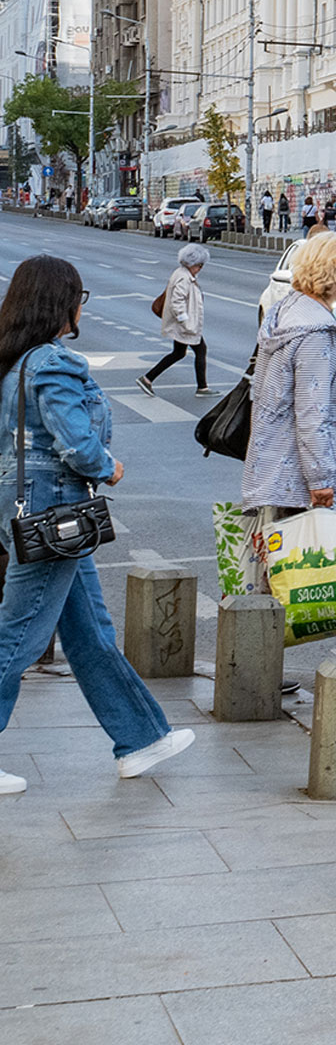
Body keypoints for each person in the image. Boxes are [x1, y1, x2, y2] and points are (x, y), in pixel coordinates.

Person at [0, 255, 195, 792]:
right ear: (60, 302)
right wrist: (107, 467)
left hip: (27, 504)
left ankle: (141, 738)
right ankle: (140, 736)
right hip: (56, 509)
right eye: (79, 297)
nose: (80, 307)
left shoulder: (13, 361)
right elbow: (76, 441)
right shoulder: (52, 363)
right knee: (17, 636)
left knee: (89, 633)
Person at [241, 232, 336, 592]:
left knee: (286, 572)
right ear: (335, 273)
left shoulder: (289, 311)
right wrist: (321, 479)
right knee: (304, 575)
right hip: (299, 476)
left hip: (279, 466)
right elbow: (313, 412)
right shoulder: (316, 332)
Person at [139, 244, 211, 397]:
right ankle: (202, 388)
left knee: (179, 353)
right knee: (200, 349)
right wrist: (185, 322)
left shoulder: (182, 274)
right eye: (199, 265)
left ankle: (148, 378)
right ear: (191, 264)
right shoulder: (184, 278)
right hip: (184, 325)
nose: (200, 269)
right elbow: (177, 302)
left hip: (183, 324)